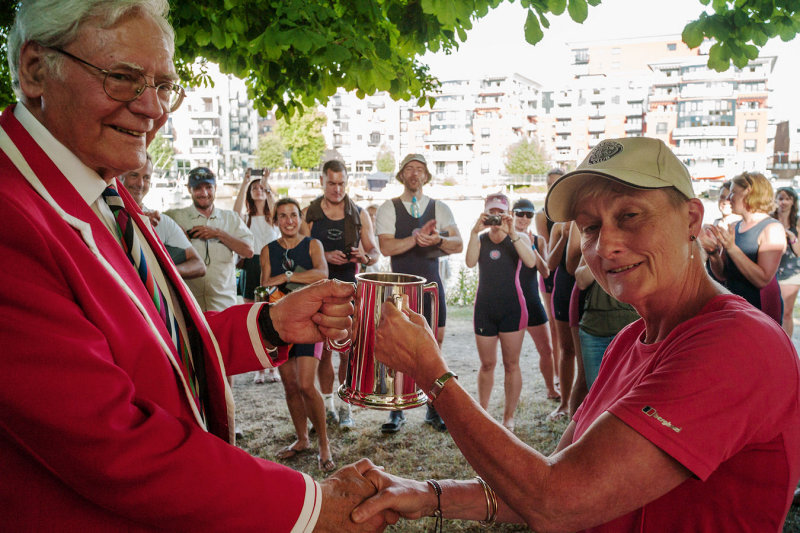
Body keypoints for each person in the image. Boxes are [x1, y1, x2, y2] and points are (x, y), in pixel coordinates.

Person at [0, 1, 391, 530]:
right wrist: (311, 508)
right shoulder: (13, 214)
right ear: (34, 70)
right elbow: (114, 446)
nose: (154, 109)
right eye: (123, 78)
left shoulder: (98, 188)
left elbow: (153, 341)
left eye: (164, 86)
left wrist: (269, 323)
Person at [354, 137, 800, 532]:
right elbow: (550, 476)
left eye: (629, 215)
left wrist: (433, 375)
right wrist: (427, 493)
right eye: (590, 227)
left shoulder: (739, 343)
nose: (605, 244)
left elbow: (557, 500)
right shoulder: (630, 341)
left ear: (690, 219)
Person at [374, 153, 463, 433]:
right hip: (400, 287)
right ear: (402, 175)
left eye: (420, 169)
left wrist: (438, 239)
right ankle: (396, 410)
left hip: (432, 287)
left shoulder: (439, 208)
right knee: (397, 347)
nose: (414, 174)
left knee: (434, 347)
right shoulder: (389, 208)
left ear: (426, 176)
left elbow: (458, 244)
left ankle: (433, 408)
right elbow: (386, 248)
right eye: (409, 169)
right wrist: (415, 238)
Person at [303, 159, 380, 429]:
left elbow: (374, 252)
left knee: (346, 351)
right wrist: (322, 256)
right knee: (323, 352)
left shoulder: (359, 213)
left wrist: (365, 257)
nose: (337, 189)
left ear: (347, 182)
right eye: (331, 183)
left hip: (350, 288)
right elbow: (300, 251)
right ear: (322, 182)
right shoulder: (310, 214)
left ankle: (346, 404)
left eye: (341, 183)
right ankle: (327, 406)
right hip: (319, 291)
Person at [262, 198, 335, 473]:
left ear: (299, 219)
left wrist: (286, 276)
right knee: (290, 385)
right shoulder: (268, 250)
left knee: (306, 384)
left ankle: (324, 444)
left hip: (309, 323)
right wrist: (281, 281)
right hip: (280, 325)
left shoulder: (313, 245)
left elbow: (322, 274)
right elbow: (265, 283)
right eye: (282, 216)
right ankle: (302, 439)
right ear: (275, 220)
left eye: (293, 215)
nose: (289, 221)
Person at [465, 193, 539, 432]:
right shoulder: (481, 238)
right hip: (485, 309)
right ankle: (483, 413)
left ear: (507, 214)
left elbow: (531, 263)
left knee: (512, 364)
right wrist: (473, 232)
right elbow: (469, 262)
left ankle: (509, 417)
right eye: (492, 213)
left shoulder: (518, 238)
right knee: (487, 364)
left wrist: (513, 233)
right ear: (485, 213)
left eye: (500, 213)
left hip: (513, 308)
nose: (496, 217)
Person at [166, 166, 254, 312]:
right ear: (189, 189)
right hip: (188, 307)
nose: (204, 193)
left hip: (225, 306)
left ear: (215, 188)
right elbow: (149, 224)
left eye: (208, 187)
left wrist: (219, 234)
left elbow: (248, 251)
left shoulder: (231, 218)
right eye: (198, 188)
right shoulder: (174, 217)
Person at [704, 172, 785, 324]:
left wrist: (732, 248)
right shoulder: (734, 226)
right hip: (736, 305)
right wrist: (713, 253)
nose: (728, 199)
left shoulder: (772, 228)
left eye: (733, 192)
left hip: (760, 308)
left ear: (749, 192)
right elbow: (722, 275)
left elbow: (762, 279)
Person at [119, 154, 206, 279]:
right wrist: (134, 224)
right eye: (134, 175)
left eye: (146, 178)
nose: (140, 183)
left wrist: (162, 273)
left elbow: (199, 265)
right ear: (120, 177)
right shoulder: (107, 215)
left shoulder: (161, 221)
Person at [233, 167, 280, 383]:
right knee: (252, 317)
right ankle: (258, 368)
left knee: (273, 316)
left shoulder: (274, 218)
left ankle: (273, 366)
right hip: (251, 265)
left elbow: (276, 202)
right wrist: (245, 182)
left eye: (262, 188)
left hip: (270, 265)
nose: (259, 191)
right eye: (256, 188)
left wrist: (266, 181)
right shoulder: (246, 218)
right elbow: (234, 211)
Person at [512, 198, 557, 400]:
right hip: (510, 303)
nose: (523, 218)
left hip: (531, 301)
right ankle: (512, 396)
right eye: (519, 213)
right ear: (512, 214)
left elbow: (546, 272)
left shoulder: (539, 241)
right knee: (511, 357)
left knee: (546, 350)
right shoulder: (505, 238)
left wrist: (533, 249)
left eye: (528, 215)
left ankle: (550, 388)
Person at [534, 168, 564, 396]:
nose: (554, 187)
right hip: (550, 273)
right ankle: (556, 377)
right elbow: (544, 250)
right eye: (550, 183)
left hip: (572, 272)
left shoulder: (572, 212)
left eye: (558, 183)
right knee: (554, 326)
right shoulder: (541, 215)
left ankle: (567, 374)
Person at [772, 187, 800, 336]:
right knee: (772, 311)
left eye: (787, 199)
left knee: (787, 312)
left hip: (791, 272)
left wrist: (791, 236)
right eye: (781, 198)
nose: (783, 202)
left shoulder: (797, 222)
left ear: (793, 202)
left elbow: (798, 251)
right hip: (770, 269)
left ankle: (788, 345)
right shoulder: (769, 219)